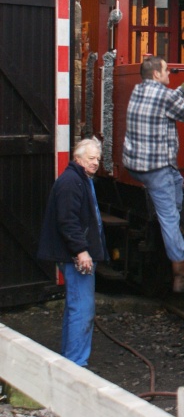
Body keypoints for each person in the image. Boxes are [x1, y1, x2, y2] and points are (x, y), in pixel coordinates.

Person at [122, 55, 184, 293]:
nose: (169, 74)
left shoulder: (139, 90)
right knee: (169, 218)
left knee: (177, 183)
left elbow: (170, 99)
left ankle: (176, 230)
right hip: (155, 168)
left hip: (136, 164)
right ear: (156, 75)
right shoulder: (163, 96)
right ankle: (181, 277)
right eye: (166, 70)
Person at [37, 137, 107, 367]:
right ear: (78, 158)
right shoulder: (72, 183)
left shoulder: (80, 179)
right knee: (82, 308)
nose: (96, 162)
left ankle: (69, 359)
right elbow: (67, 221)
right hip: (75, 256)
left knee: (75, 306)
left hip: (73, 254)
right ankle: (77, 364)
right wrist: (81, 251)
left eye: (98, 158)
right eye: (91, 158)